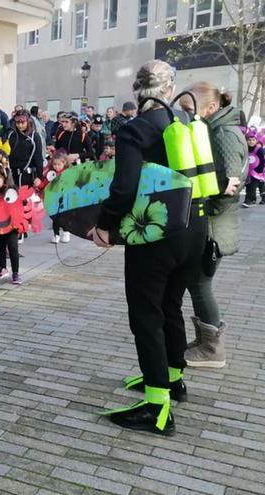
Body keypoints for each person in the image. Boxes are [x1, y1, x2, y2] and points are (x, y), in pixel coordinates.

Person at [90, 60, 206, 435]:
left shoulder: (134, 129)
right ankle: (172, 379)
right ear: (170, 90)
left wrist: (105, 226)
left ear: (137, 92)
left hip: (155, 238)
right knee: (171, 304)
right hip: (196, 231)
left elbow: (124, 189)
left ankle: (157, 407)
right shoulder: (186, 123)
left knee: (146, 314)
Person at [176, 82, 246, 369]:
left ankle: (213, 348)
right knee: (197, 283)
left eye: (190, 111)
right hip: (210, 222)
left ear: (211, 108)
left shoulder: (223, 134)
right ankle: (206, 341)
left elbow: (229, 185)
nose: (187, 117)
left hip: (214, 224)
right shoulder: (213, 130)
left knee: (200, 283)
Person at [4, 109, 44, 188]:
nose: (20, 125)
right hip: (12, 174)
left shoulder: (34, 136)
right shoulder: (11, 135)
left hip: (27, 176)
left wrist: (39, 177)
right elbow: (6, 154)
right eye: (18, 123)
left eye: (23, 123)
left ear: (28, 122)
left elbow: (38, 158)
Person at [38, 151, 70, 244]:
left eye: (59, 164)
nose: (56, 166)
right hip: (52, 199)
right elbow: (44, 184)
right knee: (54, 217)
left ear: (64, 163)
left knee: (63, 216)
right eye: (55, 164)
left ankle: (66, 232)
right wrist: (39, 184)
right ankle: (56, 235)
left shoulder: (67, 173)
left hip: (64, 198)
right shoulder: (50, 173)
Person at [243, 129, 265, 206]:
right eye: (249, 140)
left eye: (253, 140)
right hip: (248, 172)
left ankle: (251, 200)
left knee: (253, 186)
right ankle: (248, 199)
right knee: (249, 185)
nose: (251, 141)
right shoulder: (245, 149)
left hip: (257, 172)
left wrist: (259, 172)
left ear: (256, 141)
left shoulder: (259, 150)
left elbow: (262, 162)